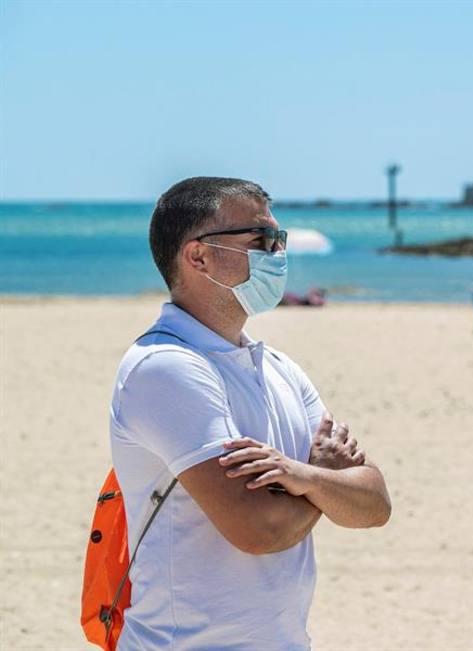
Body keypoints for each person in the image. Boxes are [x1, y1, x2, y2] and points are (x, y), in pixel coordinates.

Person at [109, 177, 391, 650]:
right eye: (261, 240)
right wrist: (322, 480)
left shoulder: (277, 366)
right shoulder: (167, 367)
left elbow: (374, 505)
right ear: (197, 256)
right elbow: (259, 529)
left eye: (278, 239)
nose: (277, 253)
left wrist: (302, 477)